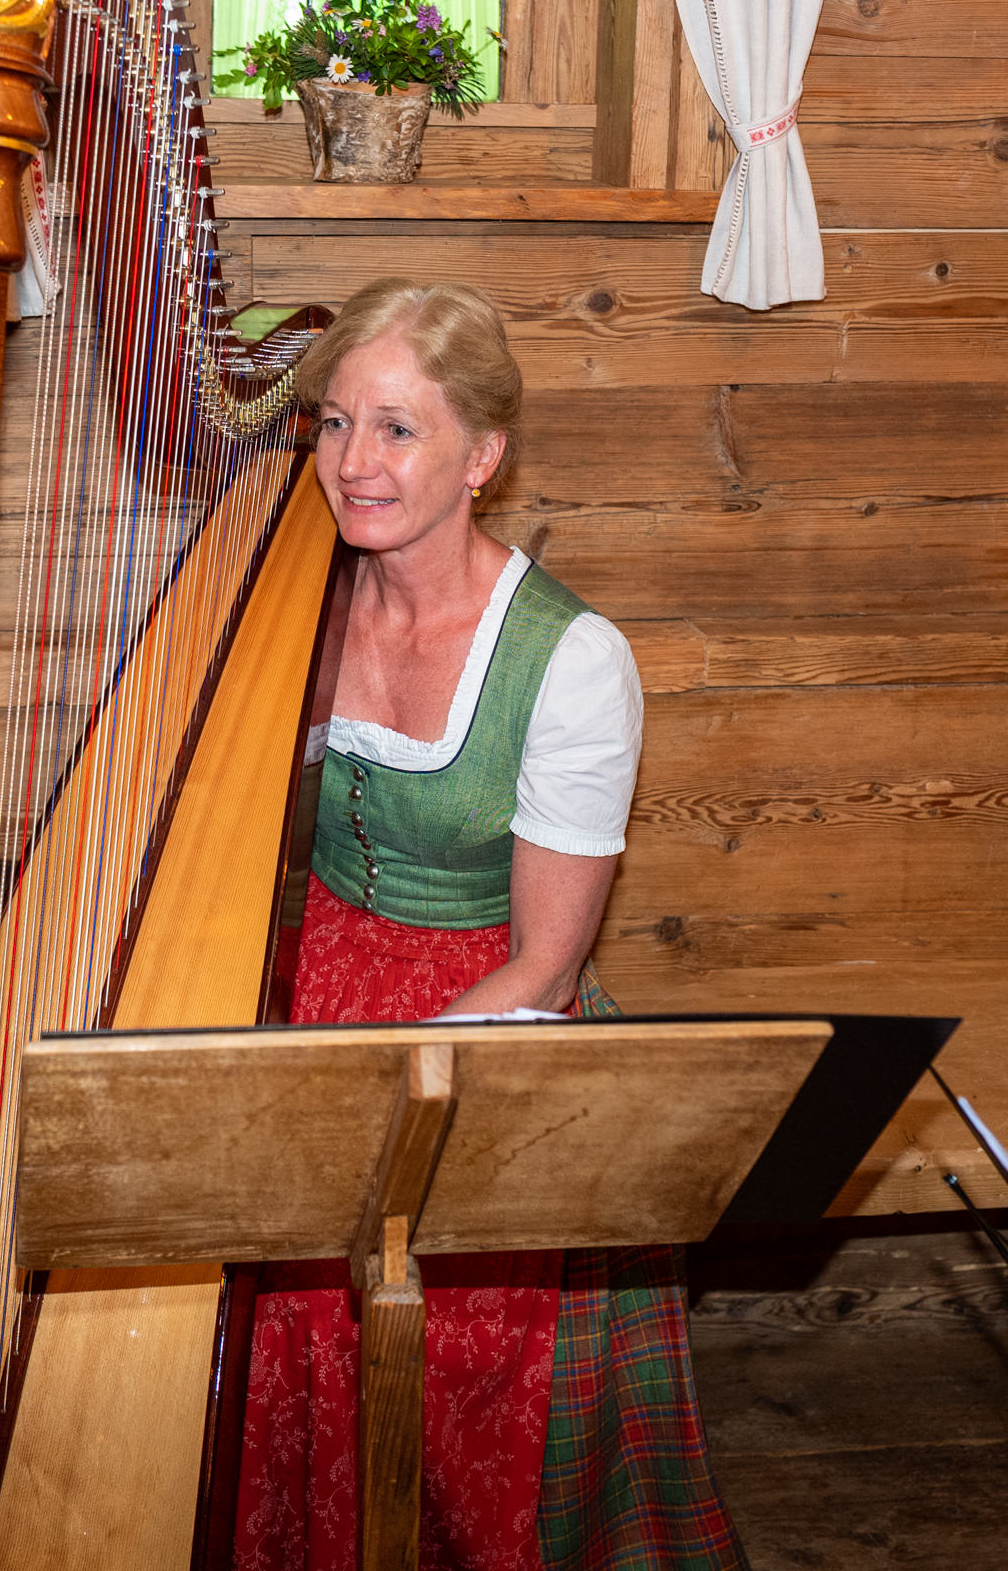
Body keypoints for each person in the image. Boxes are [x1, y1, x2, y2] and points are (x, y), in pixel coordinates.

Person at [234, 280, 746, 1571]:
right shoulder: (287, 602)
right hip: (302, 969)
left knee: (435, 1336)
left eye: (398, 429)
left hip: (481, 1008)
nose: (353, 463)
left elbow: (546, 961)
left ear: (483, 457)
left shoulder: (569, 660)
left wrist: (369, 1094)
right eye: (336, 422)